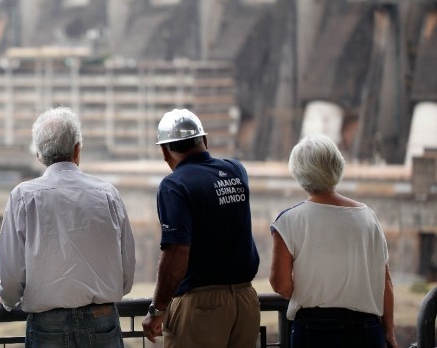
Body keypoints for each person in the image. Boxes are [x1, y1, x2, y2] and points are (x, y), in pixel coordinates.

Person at [0, 107, 136, 348]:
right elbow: (127, 267)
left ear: (39, 155)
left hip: (47, 323)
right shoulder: (108, 194)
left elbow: (11, 272)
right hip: (102, 318)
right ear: (77, 149)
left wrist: (7, 299)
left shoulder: (22, 197)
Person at [142, 108, 260, 348]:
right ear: (204, 140)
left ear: (165, 151)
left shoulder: (174, 185)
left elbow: (176, 252)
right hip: (246, 301)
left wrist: (158, 308)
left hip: (202, 306)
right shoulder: (236, 171)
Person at [269, 134, 398, 348]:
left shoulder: (289, 221)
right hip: (368, 330)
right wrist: (390, 332)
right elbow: (385, 282)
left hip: (314, 330)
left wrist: (313, 294)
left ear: (299, 173)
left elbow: (280, 284)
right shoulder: (368, 216)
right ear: (337, 166)